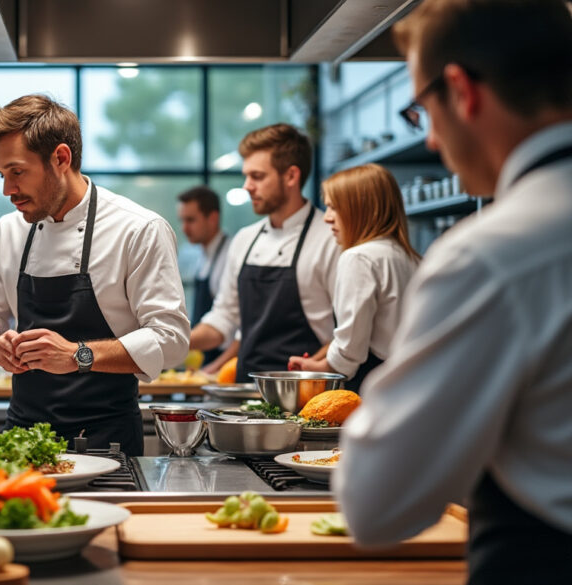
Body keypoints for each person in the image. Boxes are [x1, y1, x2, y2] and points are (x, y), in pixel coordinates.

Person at [335, 2, 572, 583]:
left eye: (422, 109)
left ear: (462, 91)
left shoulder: (491, 254)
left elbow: (376, 502)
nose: (431, 138)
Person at [0, 94, 190, 456]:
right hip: (21, 438)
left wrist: (78, 355)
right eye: (1, 175)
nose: (7, 190)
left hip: (107, 442)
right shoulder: (9, 231)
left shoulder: (138, 229)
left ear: (61, 158)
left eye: (17, 172)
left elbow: (171, 339)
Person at [189, 124, 339, 382]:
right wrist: (173, 342)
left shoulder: (330, 239)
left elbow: (346, 333)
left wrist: (309, 372)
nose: (247, 186)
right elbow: (224, 318)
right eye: (246, 176)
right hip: (245, 390)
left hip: (306, 391)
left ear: (291, 176)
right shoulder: (245, 239)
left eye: (257, 176)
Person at [287, 164, 420, 391]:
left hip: (370, 387)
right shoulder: (412, 258)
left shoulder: (358, 258)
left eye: (334, 207)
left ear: (360, 209)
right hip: (407, 383)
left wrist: (321, 368)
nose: (327, 218)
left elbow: (350, 347)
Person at [175, 185, 238, 370]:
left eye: (191, 220)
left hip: (224, 361)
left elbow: (236, 326)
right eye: (182, 220)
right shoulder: (200, 255)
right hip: (205, 358)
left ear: (213, 218)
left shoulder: (230, 256)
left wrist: (216, 368)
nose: (184, 228)